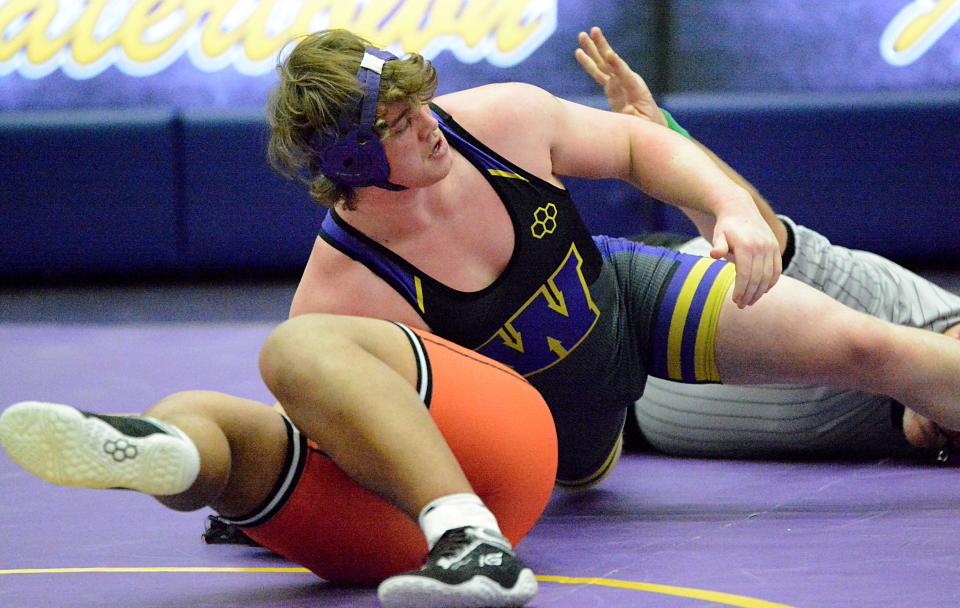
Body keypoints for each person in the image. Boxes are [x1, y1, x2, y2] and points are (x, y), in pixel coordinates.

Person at [269, 27, 960, 494]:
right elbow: (330, 425)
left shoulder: (498, 121)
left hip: (623, 298)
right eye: (398, 122)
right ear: (350, 159)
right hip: (553, 433)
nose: (430, 122)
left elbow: (636, 147)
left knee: (868, 345)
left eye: (419, 98)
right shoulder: (344, 290)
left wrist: (731, 206)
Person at [574, 26, 960, 460]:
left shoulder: (914, 433)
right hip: (633, 295)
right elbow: (759, 236)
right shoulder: (891, 301)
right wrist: (662, 136)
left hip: (621, 421)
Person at [0, 315, 556, 608]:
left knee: (292, 353)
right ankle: (173, 451)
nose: (424, 128)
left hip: (436, 482)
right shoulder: (481, 147)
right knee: (202, 407)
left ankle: (188, 455)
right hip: (408, 530)